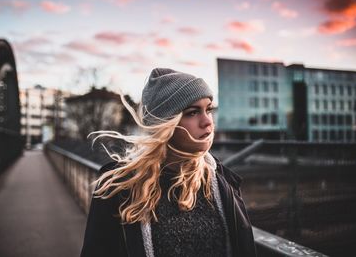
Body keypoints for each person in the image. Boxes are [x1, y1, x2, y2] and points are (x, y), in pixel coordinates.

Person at [80, 68, 257, 257]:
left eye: (209, 109)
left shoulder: (222, 182)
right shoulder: (117, 188)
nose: (207, 121)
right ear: (164, 123)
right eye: (192, 112)